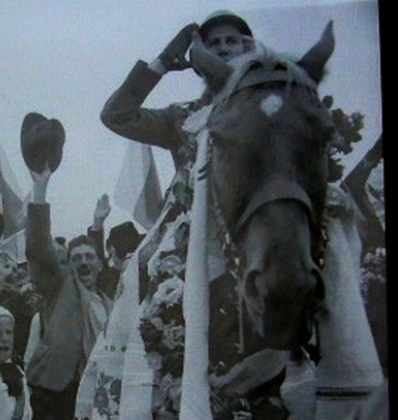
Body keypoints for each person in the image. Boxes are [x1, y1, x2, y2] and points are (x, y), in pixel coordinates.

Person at [97, 10, 292, 419]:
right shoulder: (181, 116)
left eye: (231, 42)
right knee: (178, 354)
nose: (222, 47)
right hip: (188, 254)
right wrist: (164, 61)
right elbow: (116, 115)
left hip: (253, 242)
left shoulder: (271, 104)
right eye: (213, 42)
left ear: (249, 49)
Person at [25, 164, 113, 420]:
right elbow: (39, 247)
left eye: (89, 257)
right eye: (76, 258)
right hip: (56, 393)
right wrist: (40, 192)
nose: (84, 262)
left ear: (99, 263)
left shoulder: (106, 299)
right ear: (68, 264)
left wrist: (97, 224)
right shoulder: (61, 286)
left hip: (97, 388)